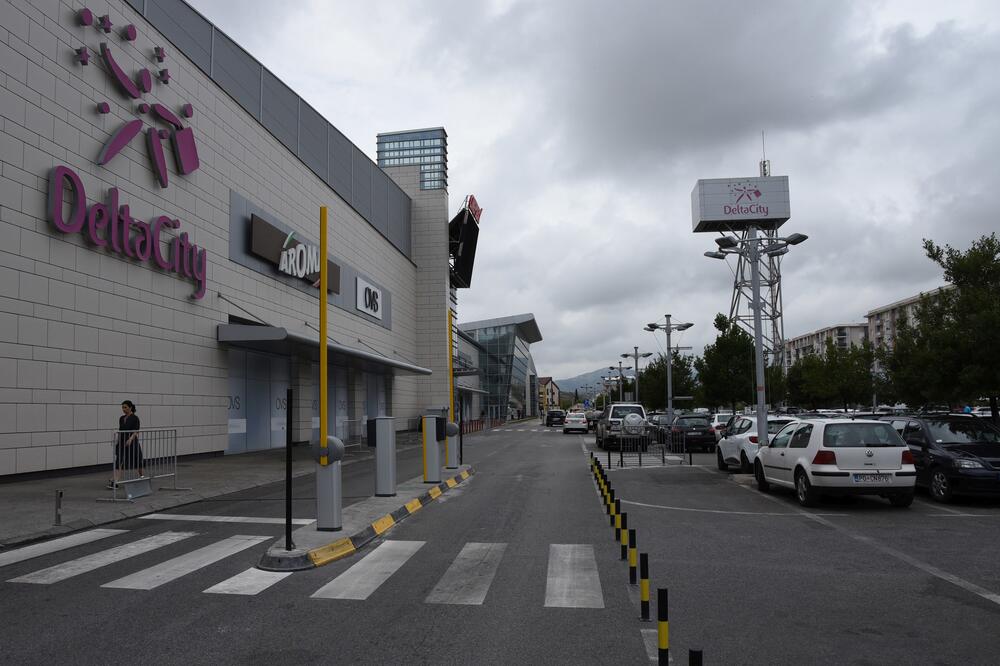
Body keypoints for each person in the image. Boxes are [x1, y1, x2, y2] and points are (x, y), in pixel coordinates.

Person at [109, 400, 144, 488]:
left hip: (132, 442)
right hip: (122, 442)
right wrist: (116, 440)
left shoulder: (135, 418)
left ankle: (142, 477)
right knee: (119, 461)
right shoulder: (121, 418)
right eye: (122, 407)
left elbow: (136, 430)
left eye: (125, 407)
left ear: (130, 407)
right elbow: (121, 430)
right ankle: (115, 481)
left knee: (137, 459)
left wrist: (131, 439)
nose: (123, 409)